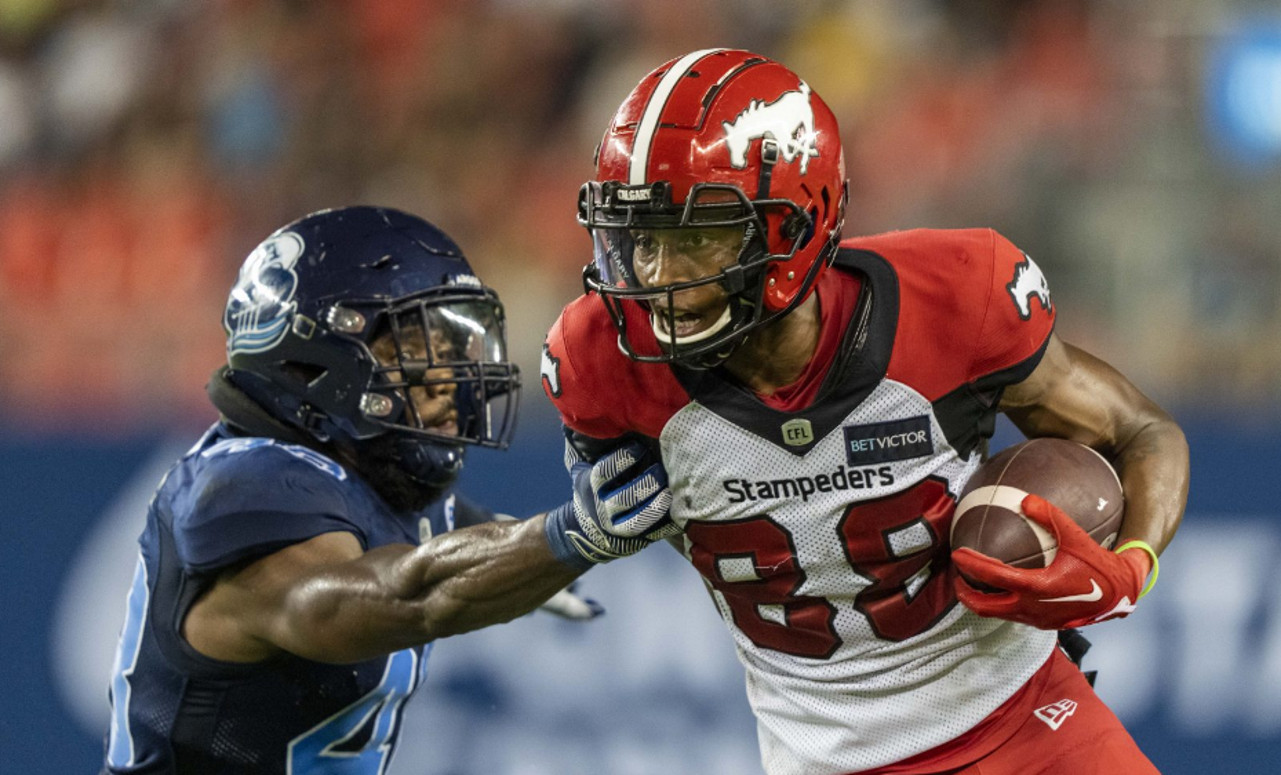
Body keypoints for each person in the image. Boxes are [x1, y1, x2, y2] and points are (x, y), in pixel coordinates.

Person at [541, 49, 1190, 775]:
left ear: (793, 225)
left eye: (693, 239)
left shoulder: (953, 298)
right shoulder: (600, 359)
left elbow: (1141, 430)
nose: (657, 279)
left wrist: (1131, 565)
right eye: (640, 241)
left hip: (1026, 720)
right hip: (825, 758)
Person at [102, 205, 673, 774]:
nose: (453, 379)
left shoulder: (370, 476)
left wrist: (524, 554)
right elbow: (392, 596)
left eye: (457, 346)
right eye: (421, 345)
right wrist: (570, 536)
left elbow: (441, 526)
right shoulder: (238, 488)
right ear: (318, 355)